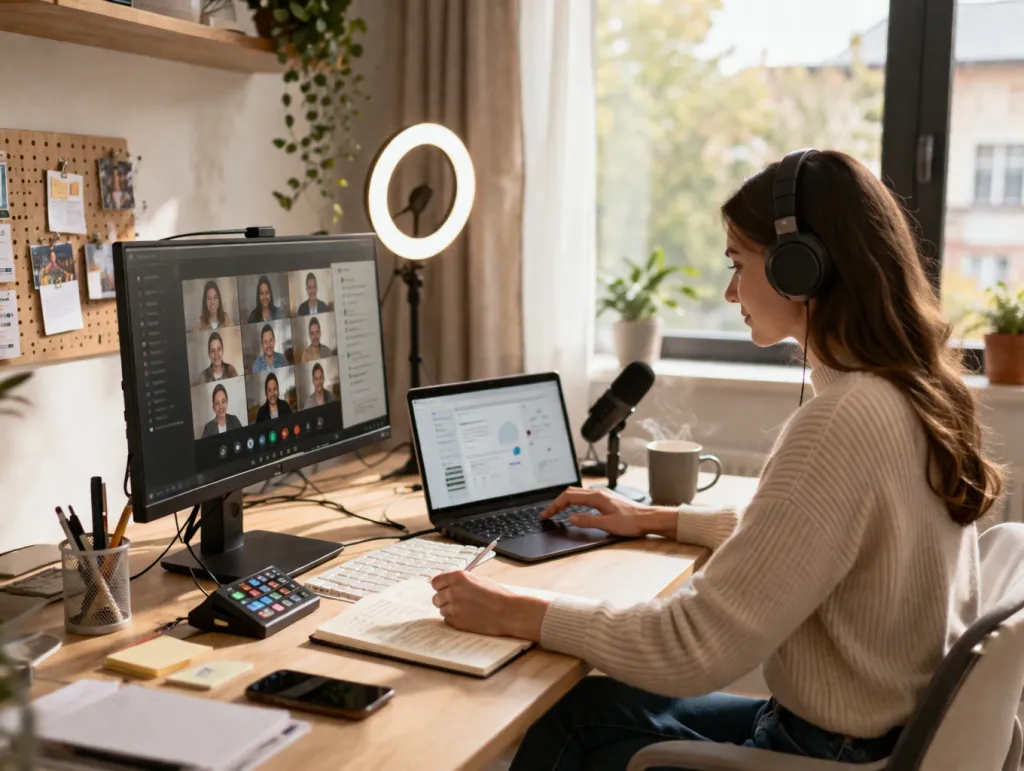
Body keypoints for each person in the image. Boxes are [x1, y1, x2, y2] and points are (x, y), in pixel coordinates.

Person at [428, 150, 1003, 769]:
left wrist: (515, 609)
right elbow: (814, 540)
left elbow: (693, 648)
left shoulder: (843, 420)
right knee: (588, 708)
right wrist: (657, 520)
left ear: (800, 268)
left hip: (823, 752)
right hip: (878, 737)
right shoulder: (917, 391)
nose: (730, 291)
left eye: (738, 264)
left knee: (565, 726)